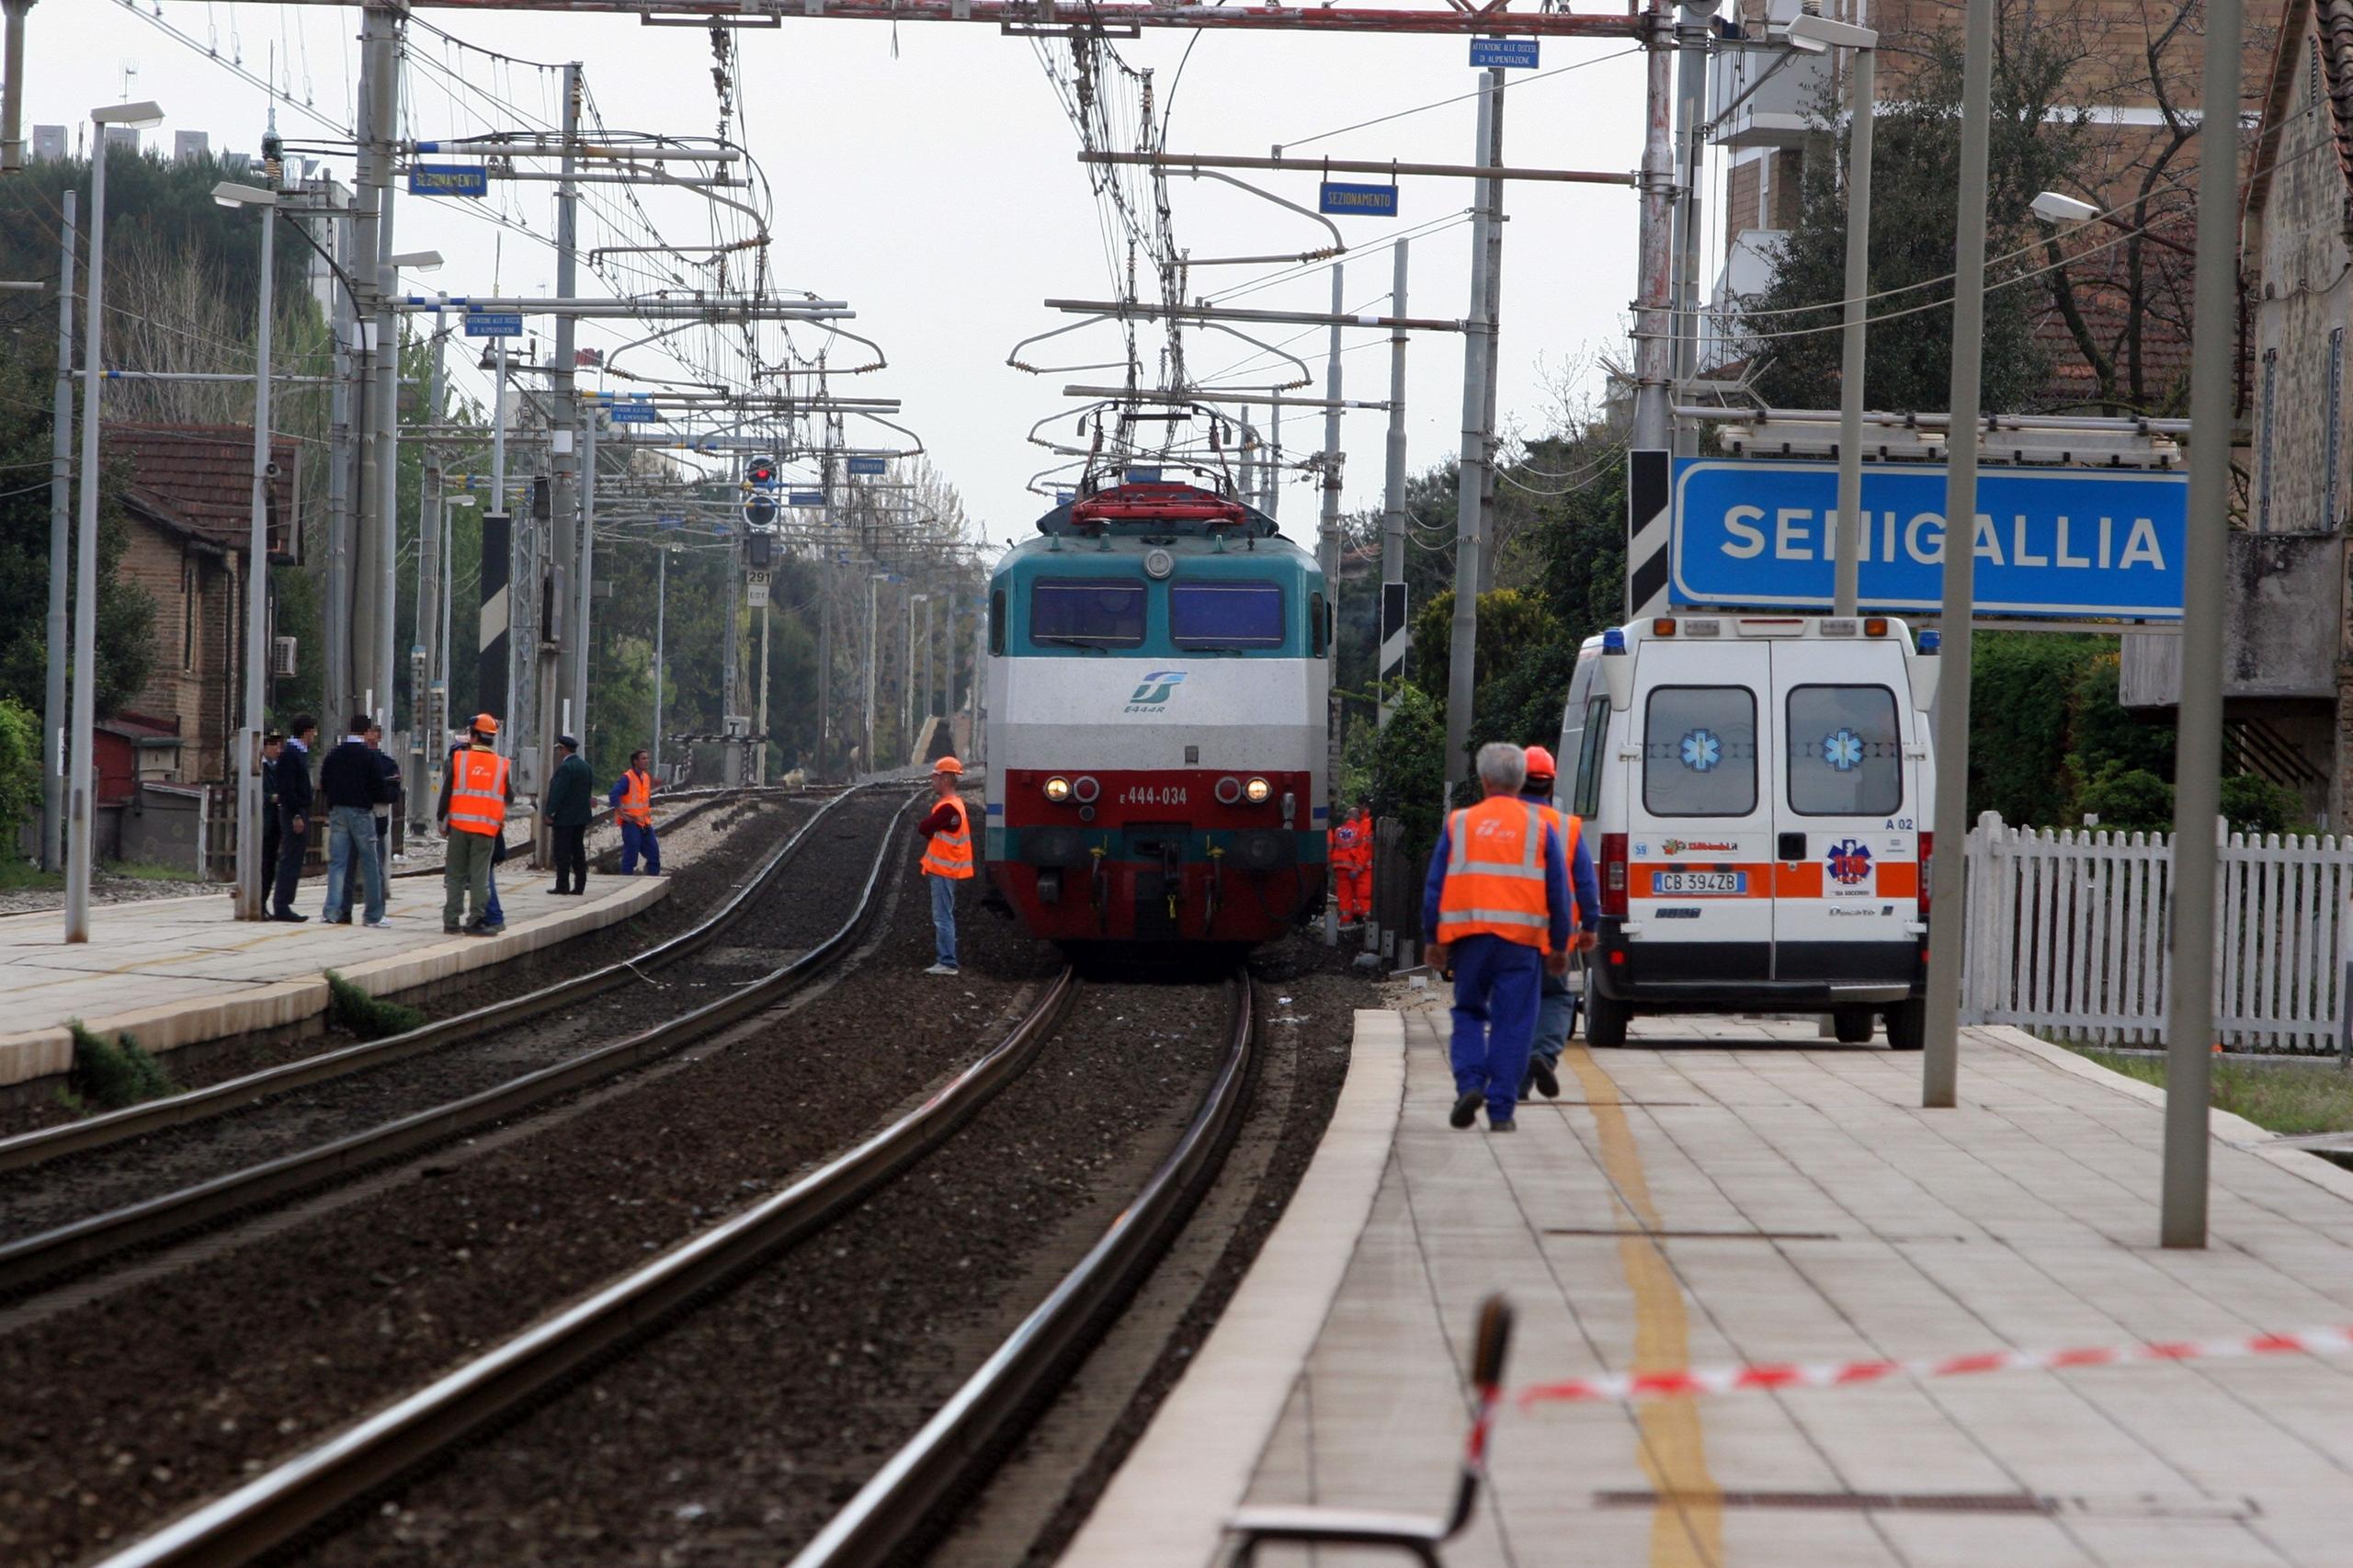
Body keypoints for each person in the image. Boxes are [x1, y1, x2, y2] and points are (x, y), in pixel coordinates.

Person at [1421, 742, 1575, 1134]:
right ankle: (1502, 1111)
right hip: (1520, 945)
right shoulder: (1540, 829)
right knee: (1514, 1023)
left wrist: (1433, 938)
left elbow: (1435, 887)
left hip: (1470, 942)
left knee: (1469, 1013)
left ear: (1484, 779)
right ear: (1521, 780)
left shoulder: (1459, 824)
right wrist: (1559, 946)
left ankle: (1470, 1085)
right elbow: (1559, 893)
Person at [1518, 744, 1602, 1100]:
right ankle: (1544, 1054)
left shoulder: (1499, 824)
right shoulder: (1566, 828)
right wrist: (1590, 927)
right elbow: (1585, 882)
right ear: (1551, 785)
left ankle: (1517, 1079)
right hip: (1556, 934)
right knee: (1555, 998)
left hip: (1509, 933)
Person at [437, 714, 513, 935]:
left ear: (474, 735)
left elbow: (447, 792)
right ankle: (475, 920)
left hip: (459, 826)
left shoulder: (460, 759)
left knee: (455, 875)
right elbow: (509, 797)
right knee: (480, 876)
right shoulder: (501, 765)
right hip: (486, 829)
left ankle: (451, 921)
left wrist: (442, 820)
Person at [318, 713, 390, 927]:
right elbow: (379, 788)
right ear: (367, 732)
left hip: (338, 812)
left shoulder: (335, 754)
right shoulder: (369, 757)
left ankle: (332, 911)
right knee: (370, 864)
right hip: (361, 813)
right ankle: (373, 915)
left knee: (338, 863)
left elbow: (324, 782)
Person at [915, 756, 972, 975]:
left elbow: (924, 827)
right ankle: (947, 960)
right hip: (947, 869)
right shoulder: (954, 805)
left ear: (946, 779)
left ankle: (947, 962)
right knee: (944, 915)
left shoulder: (949, 809)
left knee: (942, 917)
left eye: (936, 777)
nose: (933, 781)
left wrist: (930, 830)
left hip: (944, 870)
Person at [269, 716, 318, 922]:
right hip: (293, 812)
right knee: (291, 857)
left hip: (297, 810)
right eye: (314, 731)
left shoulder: (297, 753)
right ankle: (282, 904)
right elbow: (288, 787)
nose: (315, 735)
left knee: (295, 858)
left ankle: (285, 902)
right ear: (306, 732)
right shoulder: (291, 755)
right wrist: (297, 814)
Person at [544, 734, 594, 895]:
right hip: (581, 817)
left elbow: (558, 792)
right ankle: (580, 885)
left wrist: (550, 812)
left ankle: (562, 885)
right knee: (578, 850)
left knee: (563, 852)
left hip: (565, 819)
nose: (558, 751)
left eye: (559, 749)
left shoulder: (566, 768)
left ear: (563, 749)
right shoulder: (586, 766)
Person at [609, 749, 661, 875]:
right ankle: (625, 884)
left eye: (647, 758)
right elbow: (613, 794)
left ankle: (651, 883)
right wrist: (622, 814)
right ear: (635, 761)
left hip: (645, 823)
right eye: (643, 758)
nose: (647, 761)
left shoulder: (646, 778)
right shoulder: (627, 778)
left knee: (654, 855)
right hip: (631, 824)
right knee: (630, 858)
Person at [365, 721, 401, 876]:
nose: (370, 736)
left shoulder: (387, 764)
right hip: (359, 818)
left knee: (377, 860)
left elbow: (394, 793)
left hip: (378, 818)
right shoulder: (355, 760)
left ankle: (377, 895)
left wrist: (376, 792)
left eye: (374, 732)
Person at [1329, 801, 1373, 925]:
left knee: (1344, 895)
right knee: (1359, 894)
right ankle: (1360, 918)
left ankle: (1345, 920)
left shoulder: (1338, 830)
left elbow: (1333, 846)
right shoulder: (1360, 829)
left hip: (1339, 866)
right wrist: (1357, 867)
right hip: (1353, 867)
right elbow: (1363, 848)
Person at [256, 731, 283, 911]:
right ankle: (258, 902)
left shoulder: (278, 767)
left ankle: (264, 901)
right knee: (262, 865)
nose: (278, 750)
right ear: (265, 747)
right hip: (262, 823)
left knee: (270, 865)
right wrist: (271, 798)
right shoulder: (259, 768)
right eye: (274, 745)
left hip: (275, 823)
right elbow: (255, 792)